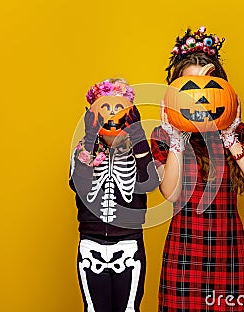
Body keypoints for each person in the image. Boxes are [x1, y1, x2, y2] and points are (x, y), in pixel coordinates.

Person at [150, 27, 244, 311]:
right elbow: (170, 192)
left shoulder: (238, 134)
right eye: (189, 88)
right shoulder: (162, 137)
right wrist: (177, 138)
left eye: (209, 86)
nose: (199, 98)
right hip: (184, 255)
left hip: (230, 253)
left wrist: (229, 136)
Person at [69, 78, 160, 312]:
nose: (112, 114)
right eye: (105, 107)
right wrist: (90, 139)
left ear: (130, 115)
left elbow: (149, 182)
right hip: (90, 245)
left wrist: (138, 137)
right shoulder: (82, 150)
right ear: (93, 115)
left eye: (119, 108)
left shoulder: (139, 150)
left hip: (129, 246)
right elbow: (79, 184)